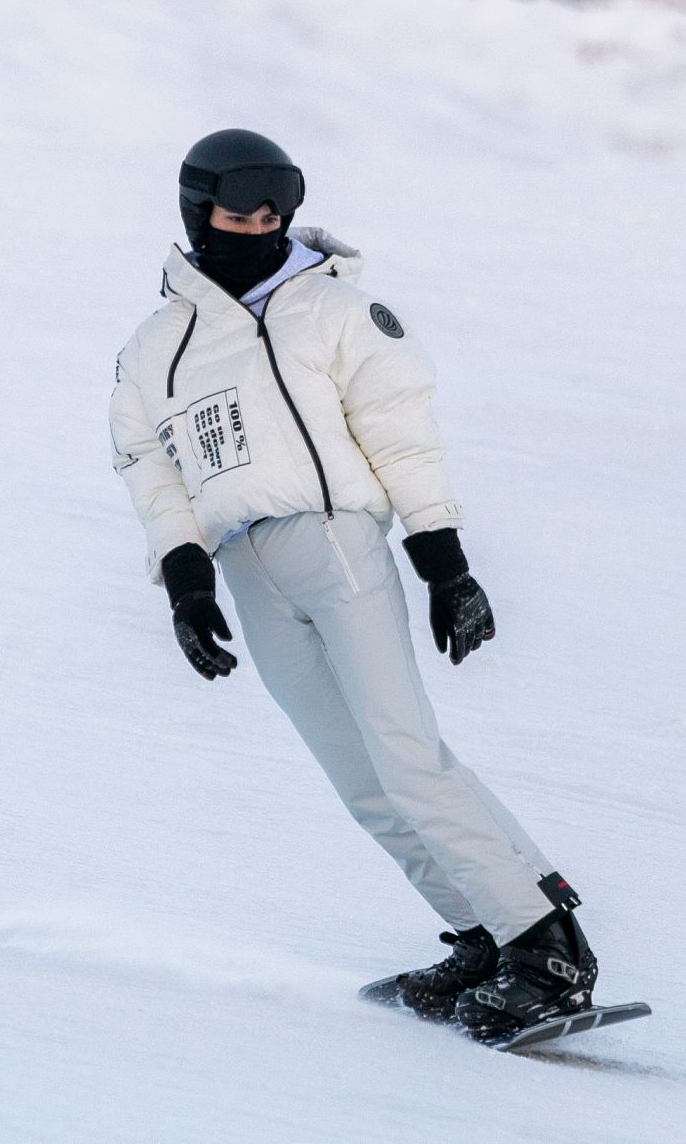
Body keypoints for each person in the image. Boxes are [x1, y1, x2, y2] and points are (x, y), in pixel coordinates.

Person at [109, 128, 598, 1036]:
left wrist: (443, 563)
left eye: (272, 213)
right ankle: (484, 935)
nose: (257, 227)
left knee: (406, 752)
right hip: (244, 568)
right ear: (196, 211)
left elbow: (401, 433)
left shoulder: (332, 310)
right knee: (359, 776)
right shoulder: (155, 347)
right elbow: (148, 462)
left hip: (336, 544)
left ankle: (545, 943)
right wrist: (185, 581)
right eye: (236, 212)